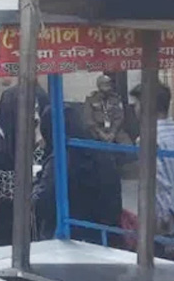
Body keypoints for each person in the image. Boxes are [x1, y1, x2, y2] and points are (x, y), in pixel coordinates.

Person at [0, 83, 49, 250]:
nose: (34, 116)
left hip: (25, 224)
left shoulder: (27, 135)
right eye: (30, 110)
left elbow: (41, 169)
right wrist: (25, 182)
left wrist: (38, 138)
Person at [34, 105, 122, 246]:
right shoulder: (99, 150)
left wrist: (35, 184)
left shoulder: (61, 157)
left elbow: (43, 201)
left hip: (70, 238)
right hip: (106, 236)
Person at [130, 83, 174, 240]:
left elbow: (160, 183)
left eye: (136, 104)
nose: (134, 109)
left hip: (167, 219)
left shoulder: (147, 139)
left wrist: (163, 219)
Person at [84, 74, 130, 144]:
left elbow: (119, 117)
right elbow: (89, 119)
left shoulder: (115, 99)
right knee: (89, 141)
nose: (107, 87)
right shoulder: (91, 99)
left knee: (127, 143)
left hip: (114, 129)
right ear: (99, 86)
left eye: (108, 84)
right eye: (104, 84)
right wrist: (100, 132)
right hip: (97, 130)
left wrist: (113, 132)